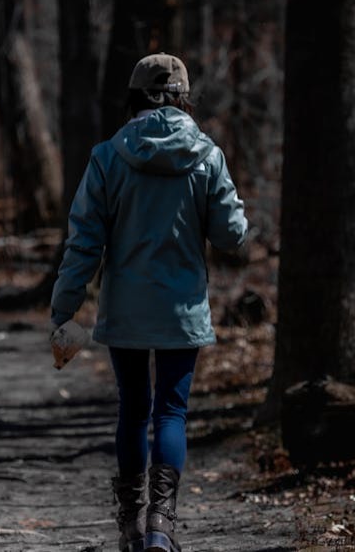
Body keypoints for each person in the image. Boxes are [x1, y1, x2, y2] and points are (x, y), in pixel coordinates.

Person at [49, 53, 247, 552]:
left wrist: (64, 308)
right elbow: (231, 235)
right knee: (171, 413)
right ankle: (162, 526)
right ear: (184, 99)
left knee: (133, 411)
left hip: (127, 311)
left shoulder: (108, 156)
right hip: (182, 311)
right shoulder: (207, 155)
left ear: (133, 99)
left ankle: (130, 527)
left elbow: (84, 242)